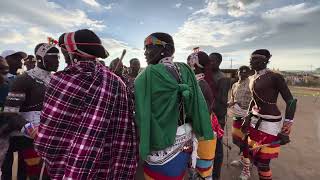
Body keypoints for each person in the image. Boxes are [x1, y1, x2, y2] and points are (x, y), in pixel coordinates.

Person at [34, 29, 138, 179]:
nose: (64, 59)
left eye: (64, 53)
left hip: (68, 165)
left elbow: (49, 136)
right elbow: (125, 131)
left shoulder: (61, 81)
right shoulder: (117, 82)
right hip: (107, 165)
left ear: (74, 53)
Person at [135, 32, 214, 180]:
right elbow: (197, 107)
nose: (145, 53)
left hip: (160, 145)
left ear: (167, 48)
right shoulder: (186, 70)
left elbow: (141, 115)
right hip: (186, 140)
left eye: (149, 48)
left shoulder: (146, 75)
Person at [1, 43, 60, 180]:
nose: (58, 61)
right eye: (54, 57)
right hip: (24, 141)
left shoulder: (56, 81)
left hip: (48, 141)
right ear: (40, 58)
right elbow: (10, 113)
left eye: (59, 57)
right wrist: (31, 129)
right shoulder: (24, 80)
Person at [241, 49, 297, 180]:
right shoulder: (252, 77)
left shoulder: (274, 77)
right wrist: (248, 117)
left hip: (270, 123)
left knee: (263, 163)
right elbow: (253, 100)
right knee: (253, 155)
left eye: (255, 59)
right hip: (255, 120)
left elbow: (291, 101)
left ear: (265, 61)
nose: (251, 61)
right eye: (251, 58)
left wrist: (286, 129)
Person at [187, 51, 219, 179]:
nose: (188, 66)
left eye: (189, 63)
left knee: (204, 172)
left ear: (195, 66)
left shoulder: (202, 84)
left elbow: (202, 114)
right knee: (196, 171)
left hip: (203, 134)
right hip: (198, 132)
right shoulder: (196, 83)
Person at [209, 52, 230, 179]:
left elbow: (222, 102)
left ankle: (216, 176)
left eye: (213, 61)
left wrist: (208, 110)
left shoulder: (222, 78)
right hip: (210, 116)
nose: (210, 63)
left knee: (217, 149)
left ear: (219, 62)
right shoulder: (210, 75)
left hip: (218, 118)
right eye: (209, 61)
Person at [227, 66, 252, 169]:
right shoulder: (234, 85)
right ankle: (246, 157)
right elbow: (232, 99)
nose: (242, 73)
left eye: (245, 72)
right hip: (236, 115)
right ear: (238, 73)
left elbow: (254, 100)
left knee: (245, 141)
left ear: (249, 73)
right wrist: (228, 103)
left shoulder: (251, 84)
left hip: (247, 117)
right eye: (241, 71)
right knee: (236, 140)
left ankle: (246, 163)